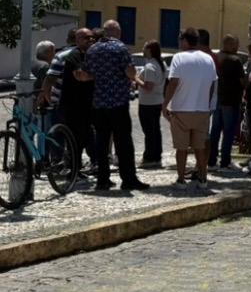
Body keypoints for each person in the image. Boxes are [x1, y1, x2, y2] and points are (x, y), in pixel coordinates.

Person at [81, 20, 150, 191]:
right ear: (117, 32)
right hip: (118, 102)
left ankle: (102, 180)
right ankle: (128, 179)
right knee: (123, 143)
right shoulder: (120, 48)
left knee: (102, 142)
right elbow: (129, 71)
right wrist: (133, 78)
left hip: (99, 103)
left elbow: (87, 74)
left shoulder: (93, 49)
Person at [162, 28, 218, 189]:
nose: (179, 43)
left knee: (181, 148)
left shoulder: (178, 58)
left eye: (180, 39)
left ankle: (181, 179)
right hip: (201, 110)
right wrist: (206, 104)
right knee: (199, 147)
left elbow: (173, 82)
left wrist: (165, 103)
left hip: (181, 109)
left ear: (185, 41)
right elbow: (213, 84)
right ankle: (203, 178)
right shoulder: (208, 59)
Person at [41, 29, 96, 171]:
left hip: (68, 102)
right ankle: (72, 166)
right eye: (87, 38)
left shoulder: (67, 55)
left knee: (68, 135)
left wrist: (48, 99)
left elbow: (49, 81)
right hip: (69, 103)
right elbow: (51, 79)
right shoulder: (71, 56)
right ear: (76, 40)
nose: (91, 40)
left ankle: (63, 165)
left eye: (92, 38)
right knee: (76, 135)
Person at [209, 34, 247, 170]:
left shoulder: (215, 57)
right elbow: (242, 81)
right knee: (229, 132)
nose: (237, 47)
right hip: (231, 100)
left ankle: (211, 161)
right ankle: (225, 162)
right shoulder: (235, 60)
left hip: (217, 98)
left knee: (215, 131)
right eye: (236, 44)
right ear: (230, 45)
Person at [137, 40, 166, 168]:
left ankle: (149, 157)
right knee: (155, 130)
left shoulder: (150, 66)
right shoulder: (161, 64)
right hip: (157, 101)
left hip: (147, 103)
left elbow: (148, 86)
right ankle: (157, 155)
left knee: (148, 131)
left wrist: (136, 79)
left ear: (149, 50)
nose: (142, 50)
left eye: (144, 48)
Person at [32, 40, 56, 133]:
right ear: (47, 52)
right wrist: (51, 103)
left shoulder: (31, 62)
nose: (54, 54)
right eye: (53, 51)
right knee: (45, 133)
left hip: (29, 102)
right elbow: (46, 88)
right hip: (40, 105)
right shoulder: (45, 66)